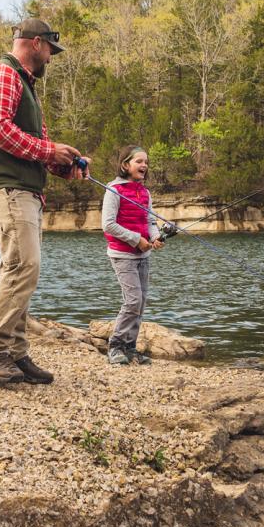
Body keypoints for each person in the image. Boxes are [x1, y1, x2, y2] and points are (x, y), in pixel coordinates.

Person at [0, 17, 85, 386]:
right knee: (22, 266)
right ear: (36, 43)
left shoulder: (28, 86)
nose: (51, 58)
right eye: (51, 50)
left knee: (21, 269)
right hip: (6, 188)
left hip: (25, 191)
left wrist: (63, 164)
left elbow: (35, 147)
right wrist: (49, 149)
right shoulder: (2, 73)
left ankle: (16, 353)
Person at [100, 145, 165, 365]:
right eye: (139, 161)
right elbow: (108, 225)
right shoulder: (113, 190)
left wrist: (155, 237)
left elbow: (150, 221)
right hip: (122, 255)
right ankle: (115, 345)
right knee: (133, 300)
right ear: (125, 165)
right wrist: (137, 239)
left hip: (143, 257)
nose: (144, 165)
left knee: (141, 301)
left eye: (146, 162)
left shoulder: (145, 192)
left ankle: (130, 347)